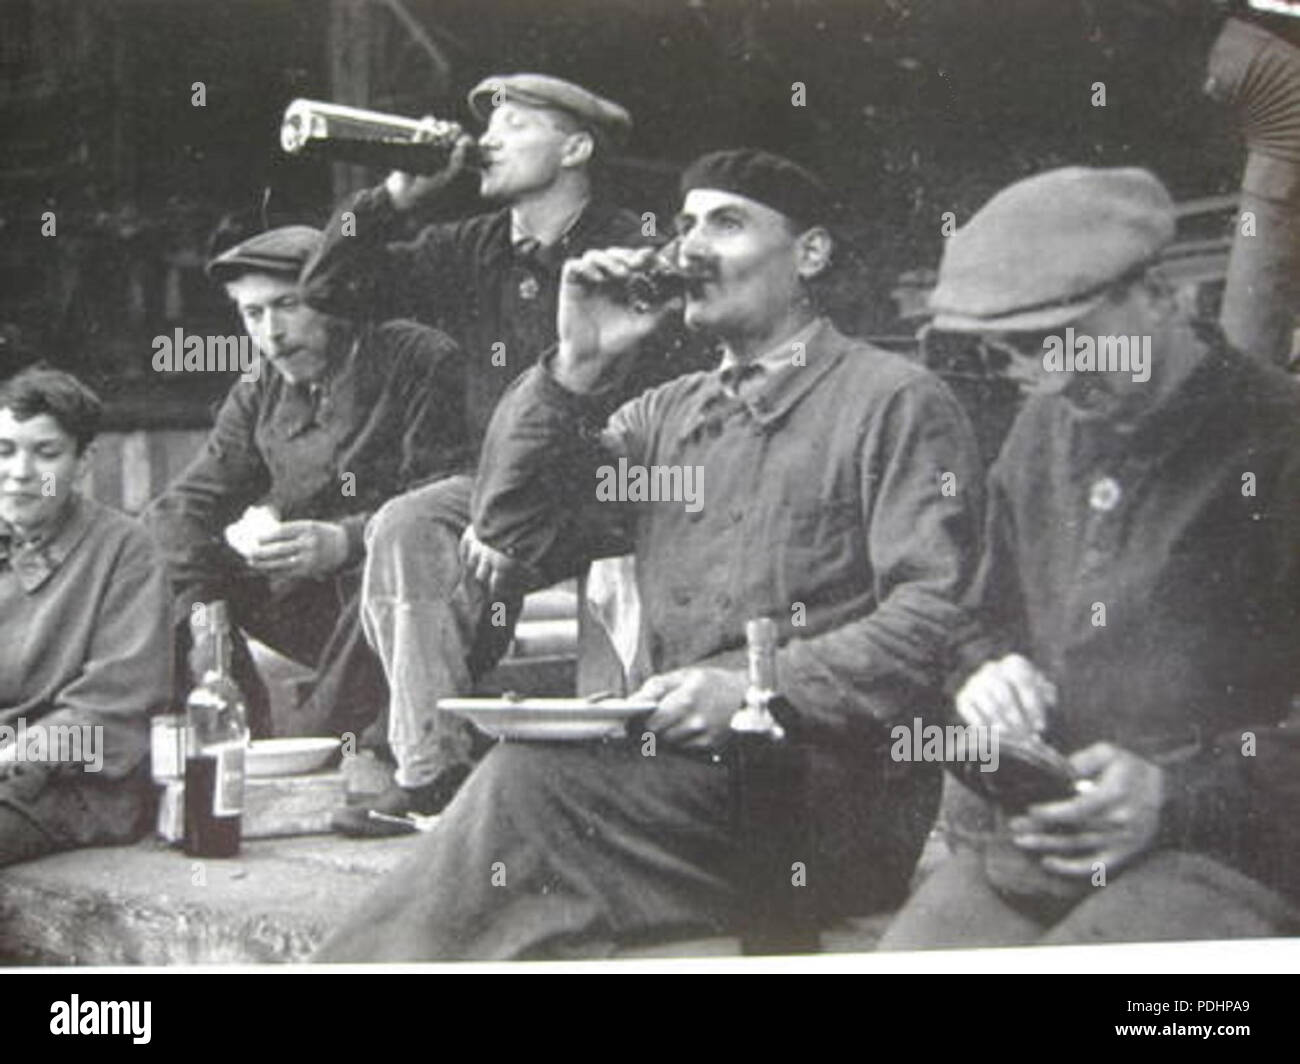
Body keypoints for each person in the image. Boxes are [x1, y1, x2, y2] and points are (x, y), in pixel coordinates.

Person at [313, 149, 983, 960]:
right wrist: (575, 367)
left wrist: (750, 688)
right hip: (682, 780)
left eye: (726, 224)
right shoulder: (666, 413)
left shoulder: (893, 401)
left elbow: (935, 616)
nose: (691, 248)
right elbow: (513, 530)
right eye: (685, 224)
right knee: (522, 887)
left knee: (525, 794)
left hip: (830, 800)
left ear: (809, 254)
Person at [880, 166, 1300, 950]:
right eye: (1015, 353)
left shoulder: (1279, 442)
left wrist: (1175, 795)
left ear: (1161, 295)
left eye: (1066, 339)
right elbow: (977, 617)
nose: (1051, 375)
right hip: (1056, 840)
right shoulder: (1042, 431)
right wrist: (984, 670)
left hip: (1246, 852)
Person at [303, 74, 700, 831]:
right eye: (489, 125)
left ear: (576, 147)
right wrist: (393, 199)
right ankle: (436, 772)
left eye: (516, 125)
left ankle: (628, 780)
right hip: (497, 493)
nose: (487, 139)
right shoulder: (468, 247)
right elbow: (331, 287)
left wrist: (512, 513)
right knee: (408, 522)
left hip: (618, 489)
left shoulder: (631, 245)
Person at [146, 226, 469, 740]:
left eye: (288, 305)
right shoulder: (261, 386)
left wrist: (345, 541)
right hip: (305, 605)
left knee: (395, 560)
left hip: (410, 605)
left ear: (338, 298)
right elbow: (185, 505)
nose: (271, 332)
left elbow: (452, 499)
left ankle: (331, 736)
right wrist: (248, 539)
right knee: (168, 555)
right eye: (253, 314)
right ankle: (234, 717)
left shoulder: (418, 357)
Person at [0, 366, 171, 866]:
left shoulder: (125, 551)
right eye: (5, 450)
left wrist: (15, 754)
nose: (20, 472)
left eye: (46, 453)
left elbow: (114, 711)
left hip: (74, 784)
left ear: (83, 461)